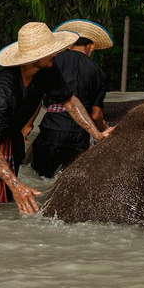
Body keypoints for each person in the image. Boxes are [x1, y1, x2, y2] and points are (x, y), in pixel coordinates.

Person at [0, 22, 111, 214]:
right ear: (33, 58)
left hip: (11, 140)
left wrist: (97, 134)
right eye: (50, 51)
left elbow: (69, 101)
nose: (56, 54)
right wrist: (16, 185)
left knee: (0, 204)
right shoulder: (3, 90)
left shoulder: (46, 72)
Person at [30, 20, 114, 178]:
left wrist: (28, 125)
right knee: (70, 181)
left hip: (52, 128)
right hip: (79, 134)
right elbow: (95, 114)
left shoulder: (53, 63)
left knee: (40, 178)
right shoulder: (98, 72)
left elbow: (37, 96)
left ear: (68, 45)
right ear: (92, 46)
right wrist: (102, 132)